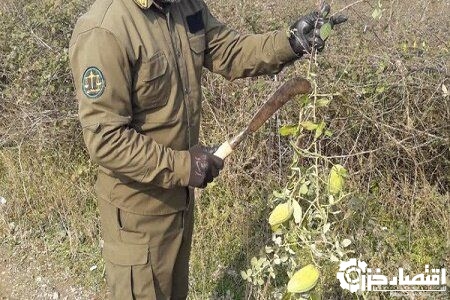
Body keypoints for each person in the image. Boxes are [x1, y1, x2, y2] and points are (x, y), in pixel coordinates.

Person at [69, 0, 346, 299]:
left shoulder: (185, 7)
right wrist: (184, 166)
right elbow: (106, 140)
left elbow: (230, 51)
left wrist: (290, 42)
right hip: (137, 218)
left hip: (181, 203)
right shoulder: (104, 29)